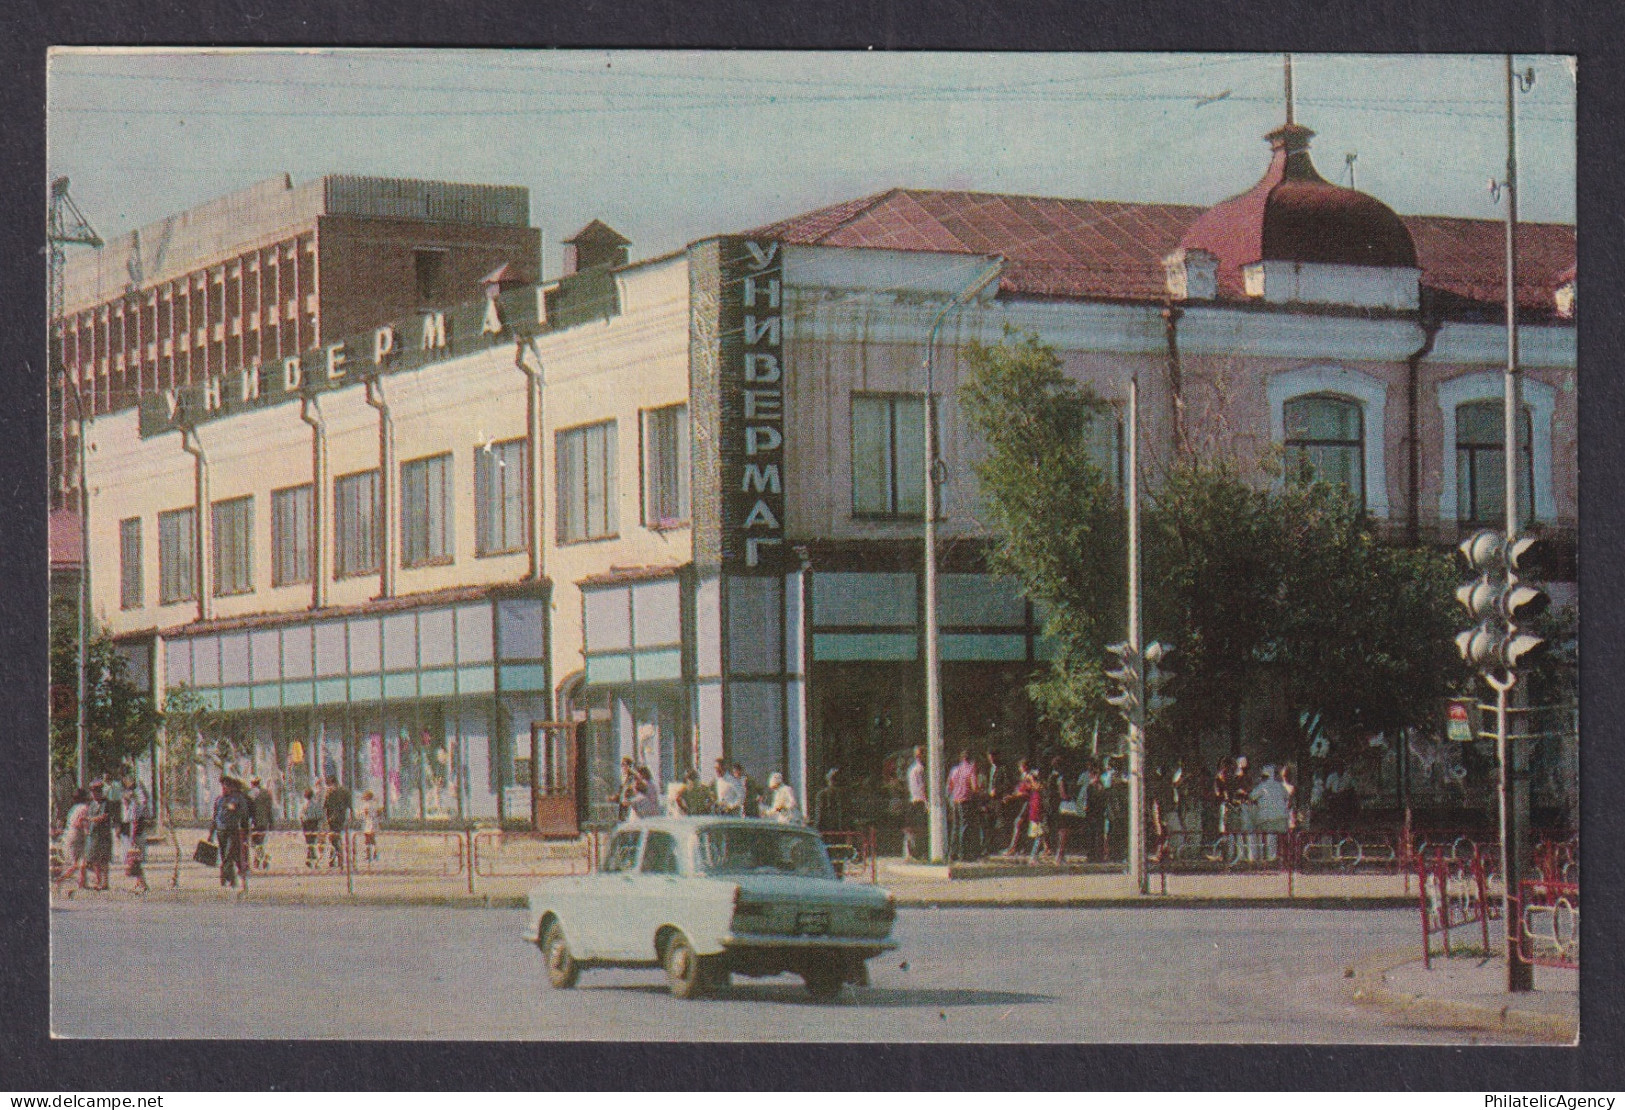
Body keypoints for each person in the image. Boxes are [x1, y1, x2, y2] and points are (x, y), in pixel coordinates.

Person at [211, 776, 253, 888]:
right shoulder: (219, 800)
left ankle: (230, 877)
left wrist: (245, 831)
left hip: (233, 830)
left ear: (232, 787)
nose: (224, 788)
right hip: (221, 831)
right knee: (224, 854)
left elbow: (244, 814)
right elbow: (215, 817)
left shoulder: (238, 798)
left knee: (229, 854)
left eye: (227, 786)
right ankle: (228, 877)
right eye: (223, 786)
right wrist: (211, 833)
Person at [1250, 764, 1291, 861]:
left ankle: (1271, 859)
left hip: (1268, 818)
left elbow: (1251, 797)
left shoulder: (1262, 786)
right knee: (1281, 839)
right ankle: (1284, 858)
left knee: (1270, 838)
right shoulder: (1280, 785)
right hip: (1282, 817)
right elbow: (1287, 797)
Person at [946, 750, 981, 861]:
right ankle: (963, 853)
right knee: (965, 826)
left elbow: (949, 787)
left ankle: (953, 853)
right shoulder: (971, 769)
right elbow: (975, 787)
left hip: (955, 800)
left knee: (956, 827)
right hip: (966, 800)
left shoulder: (954, 770)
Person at [57, 788, 92, 894]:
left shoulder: (73, 808)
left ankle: (82, 883)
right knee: (78, 862)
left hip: (70, 834)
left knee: (82, 861)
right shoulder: (84, 808)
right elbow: (80, 822)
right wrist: (87, 831)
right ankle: (61, 879)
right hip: (77, 835)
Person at [83, 781, 113, 891]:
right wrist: (87, 826)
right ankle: (98, 880)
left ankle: (105, 882)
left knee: (104, 859)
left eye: (96, 792)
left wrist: (90, 819)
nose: (94, 795)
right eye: (92, 792)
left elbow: (103, 817)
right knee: (94, 859)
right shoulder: (91, 804)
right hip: (93, 835)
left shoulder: (106, 803)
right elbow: (87, 818)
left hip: (103, 835)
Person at [903, 747, 928, 861]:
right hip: (920, 801)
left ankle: (911, 852)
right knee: (921, 829)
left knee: (913, 829)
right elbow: (923, 787)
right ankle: (919, 852)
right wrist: (927, 802)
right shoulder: (921, 770)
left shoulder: (911, 770)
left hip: (913, 800)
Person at [982, 749, 1009, 853]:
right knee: (988, 823)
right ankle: (989, 847)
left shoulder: (1003, 768)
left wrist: (997, 790)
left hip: (998, 799)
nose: (991, 759)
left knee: (1001, 822)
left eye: (993, 756)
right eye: (989, 757)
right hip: (989, 800)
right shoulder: (989, 769)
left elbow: (1007, 783)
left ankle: (1002, 846)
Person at [323, 776, 353, 868]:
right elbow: (350, 805)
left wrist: (324, 819)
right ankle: (334, 859)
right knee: (336, 837)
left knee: (333, 839)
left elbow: (325, 806)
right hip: (341, 818)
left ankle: (338, 858)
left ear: (331, 782)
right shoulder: (345, 791)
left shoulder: (329, 792)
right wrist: (351, 816)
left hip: (332, 818)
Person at [248, 777, 276, 871]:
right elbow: (270, 809)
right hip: (264, 822)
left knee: (255, 843)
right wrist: (271, 822)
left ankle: (259, 859)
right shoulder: (266, 793)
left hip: (254, 823)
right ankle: (263, 858)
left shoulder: (251, 794)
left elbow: (248, 809)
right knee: (259, 843)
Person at [813, 767, 847, 833]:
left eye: (836, 780)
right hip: (826, 830)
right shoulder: (822, 794)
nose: (835, 783)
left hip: (839, 831)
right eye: (833, 780)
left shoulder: (842, 795)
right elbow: (819, 813)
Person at [299, 787, 324, 868]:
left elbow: (301, 816)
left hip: (307, 825)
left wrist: (303, 822)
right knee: (312, 842)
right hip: (314, 824)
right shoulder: (316, 804)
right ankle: (311, 859)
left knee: (310, 843)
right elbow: (320, 815)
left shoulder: (304, 805)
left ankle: (311, 859)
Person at [358, 790, 381, 862]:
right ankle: (375, 854)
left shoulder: (367, 804)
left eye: (365, 796)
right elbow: (378, 813)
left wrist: (360, 815)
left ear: (367, 797)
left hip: (369, 823)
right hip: (373, 823)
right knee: (372, 840)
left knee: (368, 840)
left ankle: (369, 855)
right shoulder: (374, 804)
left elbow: (364, 814)